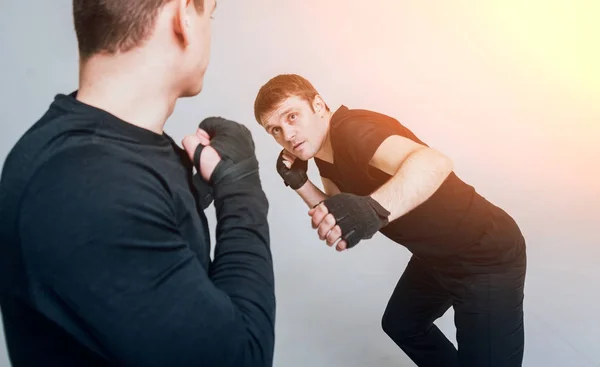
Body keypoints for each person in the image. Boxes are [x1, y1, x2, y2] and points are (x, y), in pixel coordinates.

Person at [0, 1, 276, 366]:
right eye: (209, 14)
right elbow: (242, 358)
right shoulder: (88, 184)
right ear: (183, 18)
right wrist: (241, 190)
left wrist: (190, 199)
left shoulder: (103, 157)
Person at [254, 74, 527, 367]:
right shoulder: (324, 153)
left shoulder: (354, 131)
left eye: (292, 117)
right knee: (403, 325)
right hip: (436, 259)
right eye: (275, 130)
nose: (287, 134)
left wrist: (374, 207)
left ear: (318, 105)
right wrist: (299, 183)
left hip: (485, 255)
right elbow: (342, 218)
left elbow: (434, 162)